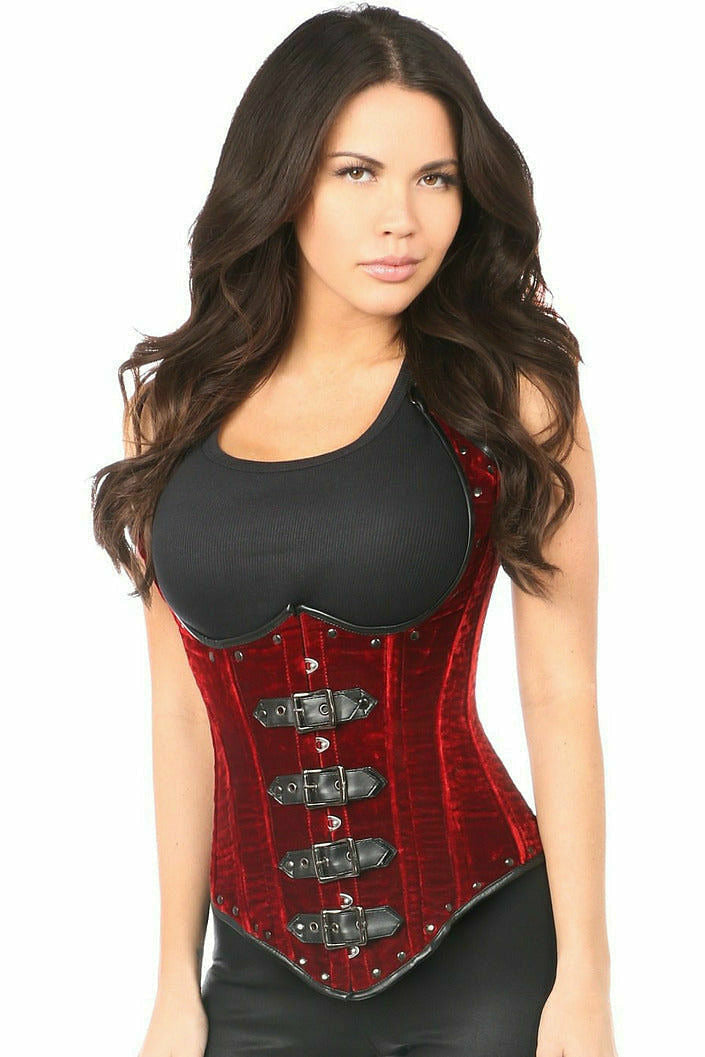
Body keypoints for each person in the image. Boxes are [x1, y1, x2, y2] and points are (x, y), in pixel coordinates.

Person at [92, 5, 618, 1056]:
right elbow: (180, 713)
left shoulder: (508, 396)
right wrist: (172, 983)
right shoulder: (171, 413)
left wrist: (586, 984)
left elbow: (560, 693)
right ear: (283, 178)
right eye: (358, 173)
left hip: (488, 954)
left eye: (436, 178)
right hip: (256, 975)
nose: (402, 221)